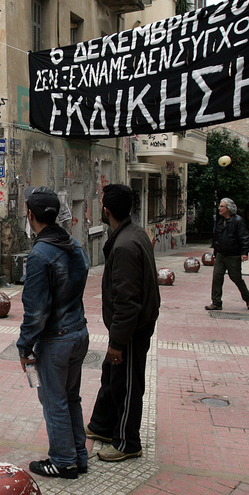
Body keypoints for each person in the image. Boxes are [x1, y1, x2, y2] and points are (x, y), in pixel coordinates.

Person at [16, 187, 90, 480]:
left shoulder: (40, 255)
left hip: (56, 339)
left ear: (30, 214)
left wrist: (24, 346)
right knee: (71, 398)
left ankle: (63, 461)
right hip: (78, 332)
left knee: (54, 400)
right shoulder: (74, 245)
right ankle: (78, 456)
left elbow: (35, 312)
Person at [85, 184, 160, 463]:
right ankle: (102, 426)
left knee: (128, 384)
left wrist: (117, 342)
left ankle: (128, 442)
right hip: (129, 327)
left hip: (131, 330)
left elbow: (127, 301)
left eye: (101, 202)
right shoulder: (133, 233)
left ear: (106, 210)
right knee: (112, 376)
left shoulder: (126, 245)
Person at [205, 197, 249, 311]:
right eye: (220, 206)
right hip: (221, 255)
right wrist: (215, 251)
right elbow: (217, 237)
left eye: (222, 206)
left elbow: (244, 237)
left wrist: (244, 252)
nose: (219, 208)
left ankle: (248, 298)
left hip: (233, 255)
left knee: (236, 278)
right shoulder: (220, 221)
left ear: (228, 208)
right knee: (217, 277)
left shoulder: (238, 221)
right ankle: (216, 302)